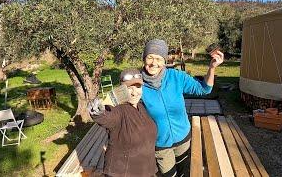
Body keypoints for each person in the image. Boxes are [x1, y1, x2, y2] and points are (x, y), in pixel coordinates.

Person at [141, 39, 224, 177]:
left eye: (158, 58)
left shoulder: (176, 77)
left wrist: (212, 67)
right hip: (160, 144)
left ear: (165, 60)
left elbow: (204, 89)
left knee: (183, 173)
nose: (154, 63)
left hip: (183, 139)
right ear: (144, 59)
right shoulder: (138, 85)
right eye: (150, 57)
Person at [87, 69, 157, 177]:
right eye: (129, 88)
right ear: (121, 89)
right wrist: (98, 112)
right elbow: (107, 117)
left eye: (138, 87)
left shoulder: (141, 106)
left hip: (146, 170)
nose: (134, 92)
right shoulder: (118, 110)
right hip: (123, 172)